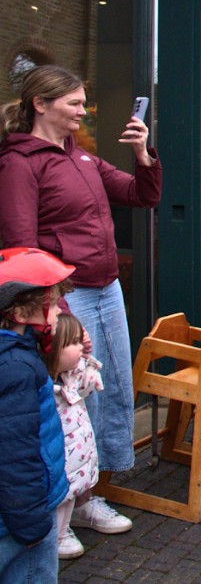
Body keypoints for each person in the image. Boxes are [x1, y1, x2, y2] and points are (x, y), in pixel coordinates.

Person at [0, 64, 160, 532]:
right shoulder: (19, 163)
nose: (81, 111)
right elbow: (19, 245)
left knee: (104, 393)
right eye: (73, 103)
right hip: (64, 298)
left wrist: (142, 154)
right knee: (68, 404)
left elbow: (139, 195)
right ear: (41, 104)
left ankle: (88, 495)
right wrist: (55, 312)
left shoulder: (81, 156)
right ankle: (59, 515)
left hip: (106, 288)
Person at [0, 247, 75, 582]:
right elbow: (14, 453)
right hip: (22, 521)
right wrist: (31, 523)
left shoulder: (17, 351)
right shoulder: (14, 367)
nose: (59, 311)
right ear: (18, 311)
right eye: (54, 303)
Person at [44, 313, 111, 560]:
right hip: (61, 461)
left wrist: (91, 372)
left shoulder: (72, 374)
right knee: (58, 501)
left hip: (78, 457)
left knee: (69, 498)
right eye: (72, 343)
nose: (80, 347)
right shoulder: (46, 392)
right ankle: (56, 537)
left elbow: (84, 385)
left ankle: (63, 531)